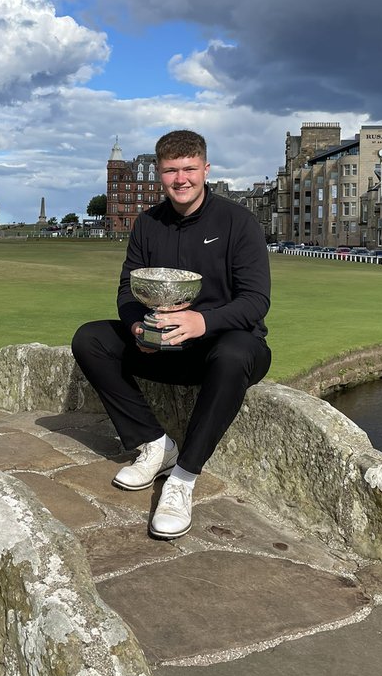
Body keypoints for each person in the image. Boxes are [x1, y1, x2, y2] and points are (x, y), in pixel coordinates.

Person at [72, 129, 271, 538]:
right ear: (160, 174)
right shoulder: (148, 224)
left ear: (205, 169)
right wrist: (137, 327)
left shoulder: (238, 221)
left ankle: (182, 478)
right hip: (162, 344)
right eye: (171, 171)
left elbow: (256, 300)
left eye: (189, 169)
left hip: (224, 346)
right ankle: (156, 445)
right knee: (90, 338)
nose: (181, 179)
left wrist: (202, 322)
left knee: (234, 353)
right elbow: (128, 290)